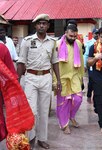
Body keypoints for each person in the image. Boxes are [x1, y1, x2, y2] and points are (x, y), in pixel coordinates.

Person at [17, 14, 61, 149]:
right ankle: (30, 138)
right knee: (31, 111)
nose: (42, 25)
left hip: (46, 78)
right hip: (30, 78)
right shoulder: (27, 41)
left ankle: (42, 138)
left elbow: (55, 62)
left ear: (48, 26)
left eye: (44, 23)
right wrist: (18, 82)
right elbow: (21, 62)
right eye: (39, 23)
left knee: (43, 111)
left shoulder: (52, 42)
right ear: (35, 26)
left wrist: (58, 80)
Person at [54, 24, 84, 134]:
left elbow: (81, 60)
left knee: (78, 99)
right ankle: (64, 124)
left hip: (75, 76)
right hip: (61, 77)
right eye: (71, 36)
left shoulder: (79, 44)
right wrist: (54, 80)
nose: (73, 38)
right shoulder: (57, 44)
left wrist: (81, 77)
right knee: (63, 102)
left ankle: (71, 116)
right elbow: (54, 63)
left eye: (75, 36)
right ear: (66, 33)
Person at [84, 28, 99, 103]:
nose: (97, 35)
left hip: (100, 67)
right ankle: (89, 95)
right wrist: (84, 65)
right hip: (91, 66)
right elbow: (86, 55)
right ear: (92, 34)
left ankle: (96, 97)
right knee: (91, 81)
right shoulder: (89, 43)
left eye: (97, 33)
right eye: (95, 33)